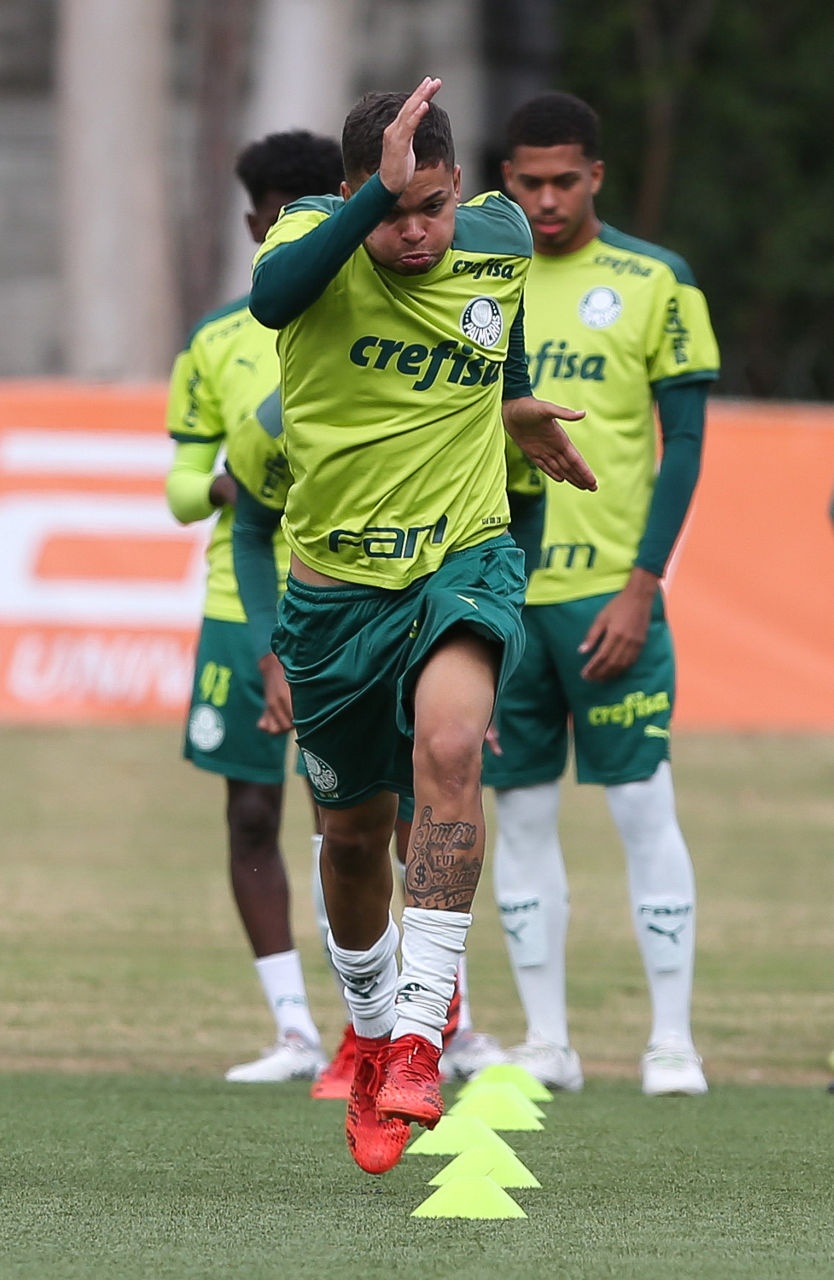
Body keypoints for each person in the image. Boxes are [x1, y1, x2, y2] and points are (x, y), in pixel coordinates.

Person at [238, 77, 595, 1174]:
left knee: (450, 751)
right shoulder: (308, 238)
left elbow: (501, 340)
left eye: (432, 205)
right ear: (354, 192)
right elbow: (272, 303)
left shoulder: (498, 235)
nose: (416, 232)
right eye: (392, 210)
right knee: (351, 838)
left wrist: (516, 401)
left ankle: (416, 1041)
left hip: (462, 557)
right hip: (336, 590)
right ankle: (366, 1022)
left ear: (459, 189)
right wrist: (370, 200)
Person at [483, 91, 720, 1096]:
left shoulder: (656, 280)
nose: (547, 200)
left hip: (610, 597)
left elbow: (686, 444)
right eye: (530, 182)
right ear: (507, 180)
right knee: (520, 816)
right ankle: (548, 1041)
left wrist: (642, 585)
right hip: (501, 596)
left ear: (596, 177)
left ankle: (672, 1042)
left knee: (641, 807)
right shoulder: (477, 278)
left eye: (565, 181)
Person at [165, 129, 344, 1085]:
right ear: (252, 225)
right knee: (249, 815)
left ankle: (402, 1025)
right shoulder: (216, 341)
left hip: (345, 591)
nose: (289, 238)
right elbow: (180, 486)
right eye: (277, 222)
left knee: (352, 818)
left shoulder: (371, 320)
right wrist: (219, 488)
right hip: (243, 605)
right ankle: (293, 1030)